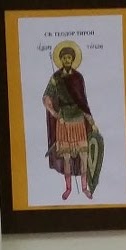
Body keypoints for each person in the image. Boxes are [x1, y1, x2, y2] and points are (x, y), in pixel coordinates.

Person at [43, 41, 97, 200]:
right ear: (60, 59)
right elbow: (46, 97)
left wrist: (92, 122)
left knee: (83, 156)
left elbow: (83, 102)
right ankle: (68, 189)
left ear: (73, 59)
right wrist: (54, 113)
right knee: (66, 158)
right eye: (64, 57)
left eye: (69, 57)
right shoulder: (56, 78)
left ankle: (85, 188)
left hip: (78, 119)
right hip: (63, 121)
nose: (67, 60)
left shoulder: (78, 77)